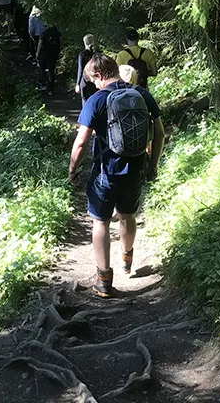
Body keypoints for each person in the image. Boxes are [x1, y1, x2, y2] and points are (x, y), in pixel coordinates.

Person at [68, 54, 165, 298]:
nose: (94, 85)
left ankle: (104, 281)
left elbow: (81, 142)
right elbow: (160, 133)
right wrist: (153, 165)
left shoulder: (96, 99)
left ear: (100, 75)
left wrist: (72, 170)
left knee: (100, 221)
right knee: (127, 215)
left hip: (105, 173)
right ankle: (127, 260)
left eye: (93, 80)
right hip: (135, 169)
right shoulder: (141, 94)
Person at [36, 24, 62, 95]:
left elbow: (40, 43)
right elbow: (60, 41)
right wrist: (59, 51)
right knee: (51, 70)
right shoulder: (56, 31)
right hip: (54, 53)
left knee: (42, 69)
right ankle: (51, 89)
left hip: (44, 52)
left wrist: (37, 53)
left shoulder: (44, 31)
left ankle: (43, 84)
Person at [76, 34, 98, 105]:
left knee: (85, 103)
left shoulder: (82, 54)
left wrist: (78, 84)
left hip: (85, 81)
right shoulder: (97, 54)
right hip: (96, 81)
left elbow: (80, 69)